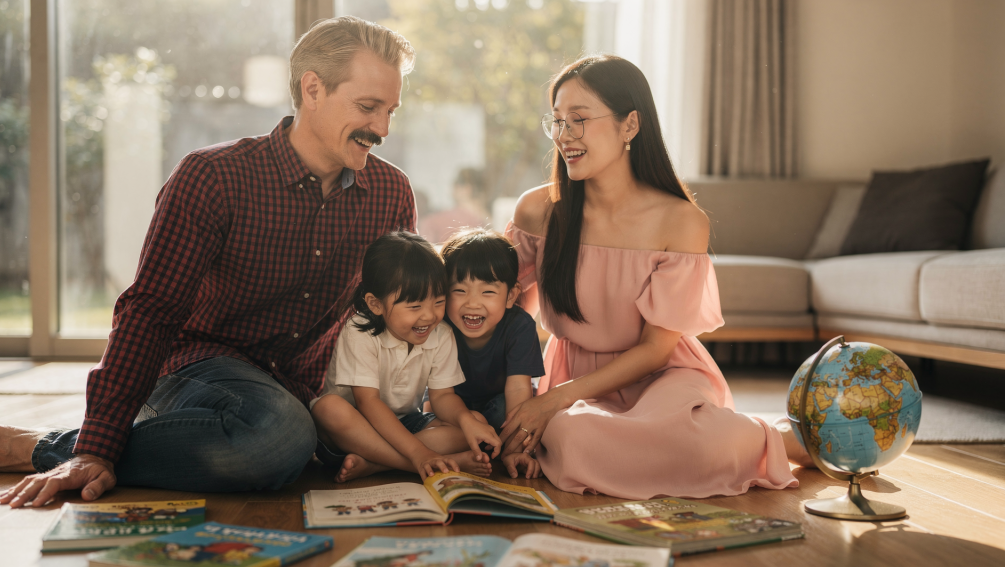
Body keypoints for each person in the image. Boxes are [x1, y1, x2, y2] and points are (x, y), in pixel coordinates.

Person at [0, 16, 418, 507]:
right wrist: (97, 447)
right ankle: (51, 446)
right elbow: (150, 310)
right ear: (312, 88)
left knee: (376, 430)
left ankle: (255, 438)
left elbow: (400, 314)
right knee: (279, 436)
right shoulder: (213, 176)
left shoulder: (390, 193)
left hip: (303, 387)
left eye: (391, 111)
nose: (381, 128)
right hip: (196, 369)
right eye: (368, 107)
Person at [500, 55, 804, 500]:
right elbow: (504, 308)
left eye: (580, 120)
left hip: (661, 375)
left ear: (630, 125)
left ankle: (779, 439)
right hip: (574, 377)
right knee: (571, 437)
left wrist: (552, 399)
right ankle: (746, 439)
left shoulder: (681, 221)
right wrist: (524, 393)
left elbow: (654, 349)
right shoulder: (538, 210)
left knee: (698, 443)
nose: (564, 136)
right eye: (558, 121)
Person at [311, 231, 501, 483]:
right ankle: (416, 463)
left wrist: (465, 420)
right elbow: (368, 402)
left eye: (438, 302)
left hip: (407, 424)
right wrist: (419, 454)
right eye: (414, 307)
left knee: (474, 420)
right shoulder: (359, 330)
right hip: (355, 429)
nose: (429, 316)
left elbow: (443, 397)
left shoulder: (441, 334)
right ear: (375, 304)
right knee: (327, 408)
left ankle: (375, 465)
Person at [438, 228, 545, 479]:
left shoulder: (519, 326)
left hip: (498, 407)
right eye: (459, 290)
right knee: (437, 424)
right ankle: (464, 451)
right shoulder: (440, 326)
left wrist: (515, 450)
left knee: (508, 410)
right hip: (452, 409)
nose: (472, 303)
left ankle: (494, 449)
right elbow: (438, 396)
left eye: (487, 292)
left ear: (511, 296)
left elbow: (519, 391)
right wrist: (465, 419)